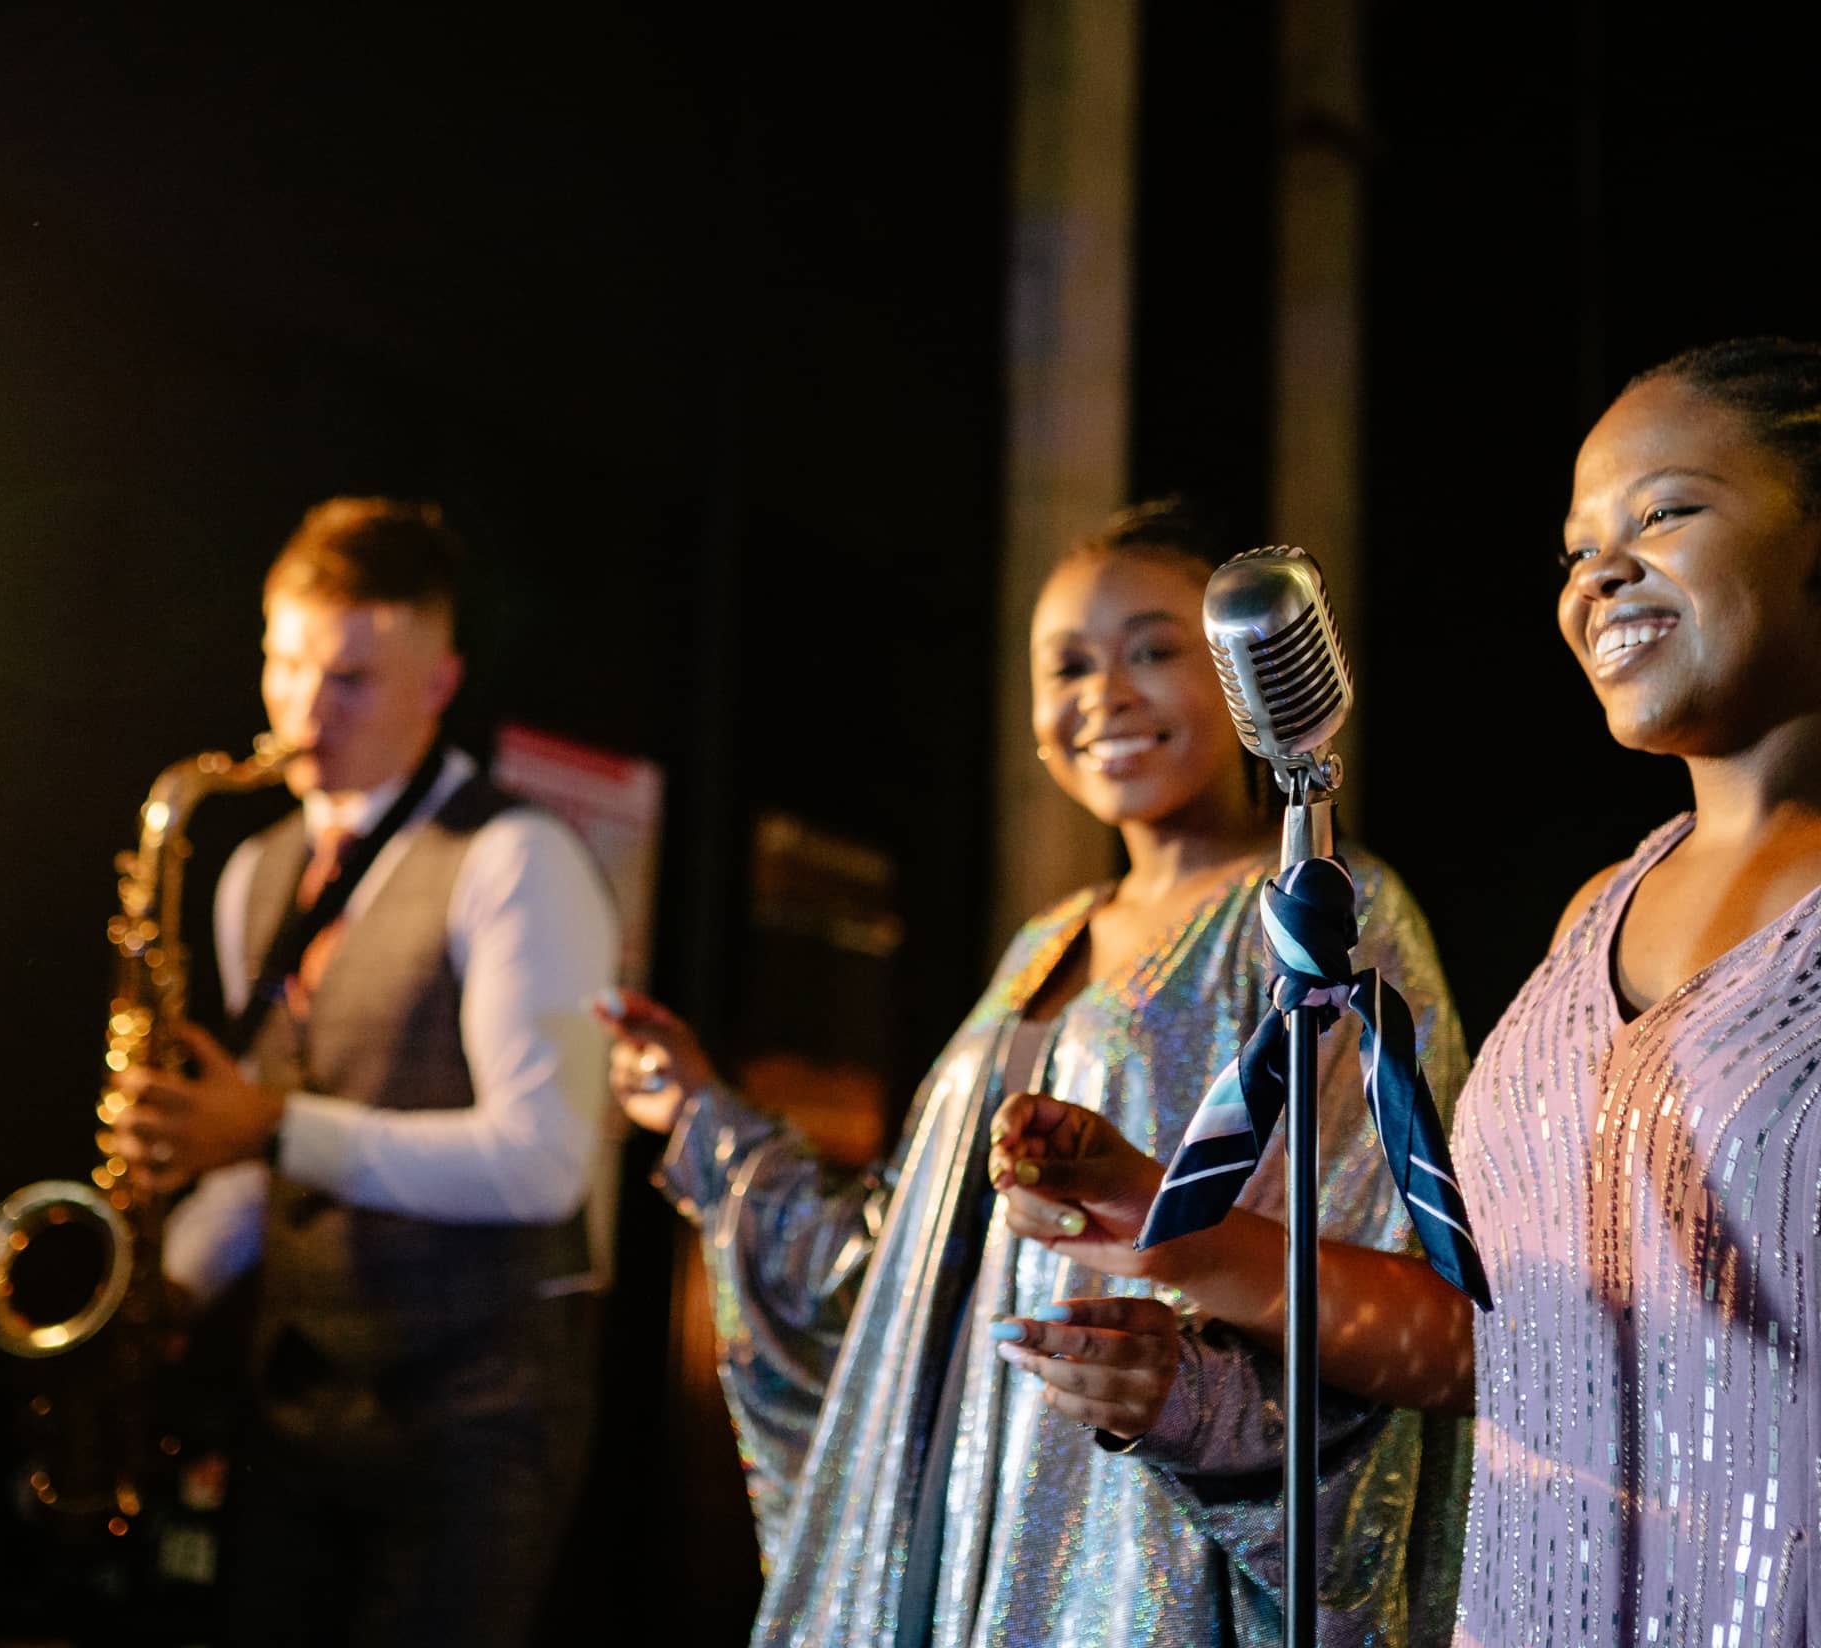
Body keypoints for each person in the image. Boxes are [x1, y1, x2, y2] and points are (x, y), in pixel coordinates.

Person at [993, 336, 1821, 1648]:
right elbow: (1501, 1343)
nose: (1598, 573)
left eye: (1663, 512)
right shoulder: (1592, 918)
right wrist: (1168, 1225)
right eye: (1575, 548)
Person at [599, 498, 1472, 1647]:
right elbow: (895, 1270)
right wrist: (701, 1114)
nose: (1103, 692)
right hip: (955, 1519)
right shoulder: (1040, 943)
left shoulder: (1317, 915)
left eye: (1152, 650)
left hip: (1134, 1537)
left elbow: (1396, 1283)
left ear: (1239, 677)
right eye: (1066, 665)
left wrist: (1187, 1392)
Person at [117, 496, 618, 1647]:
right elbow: (262, 1162)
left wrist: (269, 1126)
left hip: (472, 1416)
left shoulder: (516, 857)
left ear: (439, 681)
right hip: (298, 1404)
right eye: (286, 662)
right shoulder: (255, 869)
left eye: (349, 677)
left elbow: (541, 1162)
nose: (303, 708)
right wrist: (168, 1284)